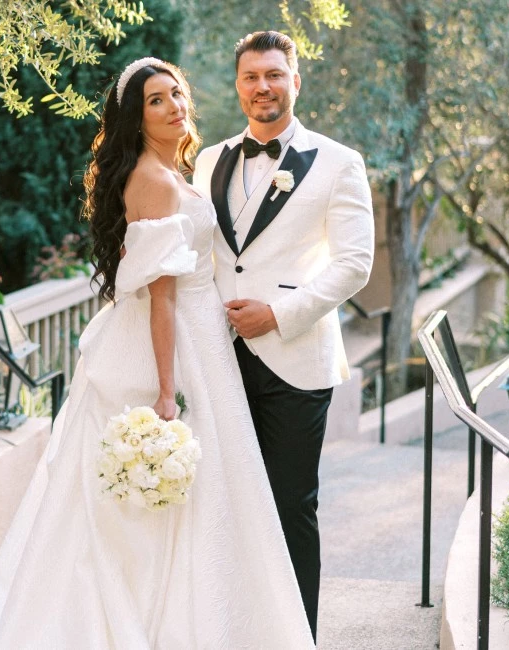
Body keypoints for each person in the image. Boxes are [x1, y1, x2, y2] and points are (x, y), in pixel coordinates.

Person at [0, 57, 314, 648]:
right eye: (156, 102)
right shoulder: (156, 180)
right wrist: (167, 391)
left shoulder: (171, 169)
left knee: (201, 497)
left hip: (199, 338)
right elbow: (161, 299)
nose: (174, 107)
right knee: (164, 504)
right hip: (175, 347)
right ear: (134, 120)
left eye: (176, 94)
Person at [193, 31, 375, 641]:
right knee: (221, 505)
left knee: (290, 507)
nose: (263, 87)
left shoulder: (339, 162)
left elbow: (354, 264)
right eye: (251, 76)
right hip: (215, 356)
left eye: (274, 74)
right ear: (238, 85)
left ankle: (297, 636)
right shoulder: (209, 159)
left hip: (295, 358)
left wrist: (276, 313)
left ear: (295, 81)